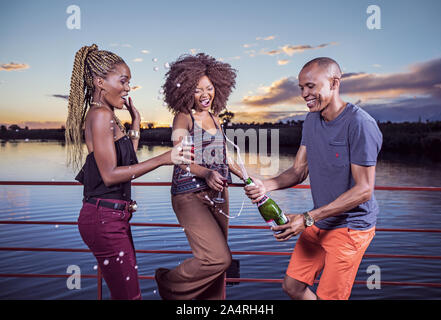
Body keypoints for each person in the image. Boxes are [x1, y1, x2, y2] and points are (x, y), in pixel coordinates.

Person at [245, 57, 383, 300]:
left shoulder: (360, 124)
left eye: (311, 86)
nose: (304, 94)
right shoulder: (311, 120)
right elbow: (299, 171)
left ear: (334, 83)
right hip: (321, 220)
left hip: (351, 227)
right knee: (292, 286)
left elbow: (364, 190)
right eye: (301, 88)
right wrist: (265, 185)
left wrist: (307, 218)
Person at [65, 44, 192, 300]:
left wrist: (135, 125)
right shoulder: (100, 115)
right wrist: (164, 159)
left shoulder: (107, 115)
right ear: (100, 82)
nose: (127, 88)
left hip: (111, 218)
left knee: (126, 294)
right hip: (104, 220)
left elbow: (126, 161)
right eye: (123, 81)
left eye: (129, 82)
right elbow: (111, 174)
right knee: (129, 297)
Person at [154, 53, 243, 300]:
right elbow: (180, 156)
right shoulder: (184, 116)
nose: (205, 95)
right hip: (189, 195)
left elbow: (226, 157)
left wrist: (247, 178)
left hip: (218, 194)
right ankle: (167, 282)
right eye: (197, 89)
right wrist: (206, 172)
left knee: (219, 267)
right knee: (217, 258)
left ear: (218, 87)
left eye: (209, 88)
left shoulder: (215, 118)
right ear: (184, 92)